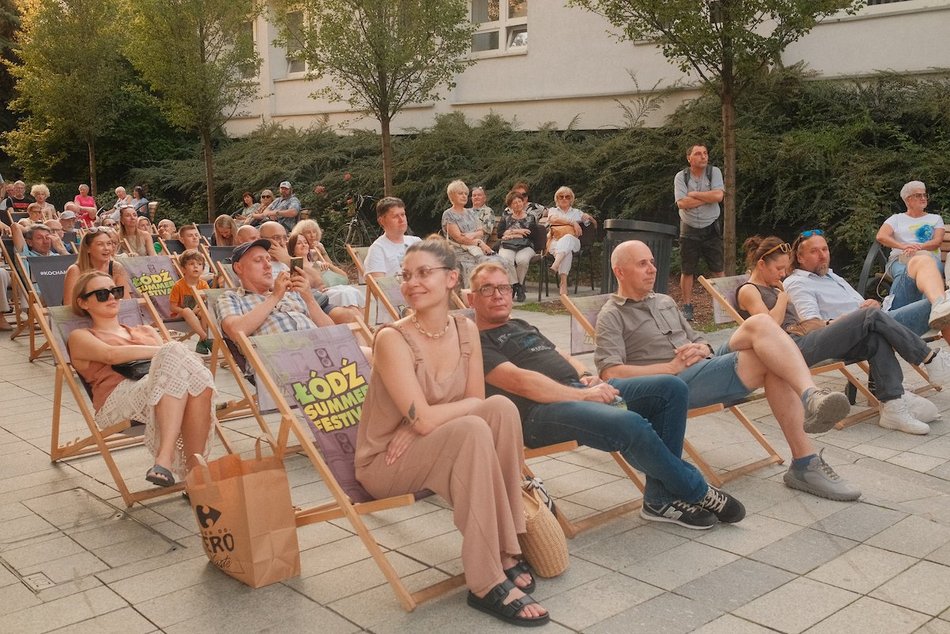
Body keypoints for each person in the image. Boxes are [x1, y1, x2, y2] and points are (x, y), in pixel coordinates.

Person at [355, 239, 549, 626]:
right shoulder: (392, 339)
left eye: (424, 273)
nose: (412, 283)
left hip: (426, 443)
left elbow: (477, 398)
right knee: (473, 427)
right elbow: (434, 417)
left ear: (451, 279)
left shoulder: (465, 328)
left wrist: (424, 424)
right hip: (385, 463)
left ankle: (506, 546)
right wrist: (423, 423)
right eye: (406, 275)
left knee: (501, 408)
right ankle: (485, 578)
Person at [470, 261, 745, 529]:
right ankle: (697, 490)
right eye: (487, 289)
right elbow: (521, 382)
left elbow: (557, 355)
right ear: (472, 299)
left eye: (504, 288)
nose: (498, 295)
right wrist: (586, 395)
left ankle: (659, 500)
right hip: (537, 413)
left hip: (577, 391)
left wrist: (583, 376)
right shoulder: (476, 341)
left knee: (671, 388)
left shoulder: (520, 324)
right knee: (629, 423)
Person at [594, 240, 861, 501]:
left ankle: (810, 397)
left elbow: (698, 339)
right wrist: (670, 366)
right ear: (620, 271)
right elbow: (610, 373)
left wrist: (702, 348)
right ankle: (805, 462)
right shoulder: (612, 315)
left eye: (652, 262)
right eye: (643, 264)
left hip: (704, 365)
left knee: (759, 324)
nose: (652, 268)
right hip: (671, 383)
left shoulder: (663, 301)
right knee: (771, 361)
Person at [738, 235, 950, 435]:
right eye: (779, 268)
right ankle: (929, 358)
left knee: (873, 337)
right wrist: (783, 299)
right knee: (870, 316)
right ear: (761, 265)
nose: (783, 274)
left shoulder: (775, 286)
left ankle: (893, 405)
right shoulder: (749, 289)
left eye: (784, 268)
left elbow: (807, 321)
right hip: (789, 349)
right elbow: (768, 327)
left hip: (804, 336)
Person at [67, 271, 215, 487]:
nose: (111, 297)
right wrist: (162, 349)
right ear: (83, 302)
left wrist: (164, 351)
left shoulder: (145, 329)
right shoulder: (81, 337)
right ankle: (173, 461)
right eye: (101, 294)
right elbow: (111, 355)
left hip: (163, 391)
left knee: (193, 378)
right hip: (117, 401)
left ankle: (188, 475)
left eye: (115, 291)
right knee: (176, 354)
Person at [784, 229, 950, 347]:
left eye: (825, 249)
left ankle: (938, 304)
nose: (822, 255)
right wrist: (856, 317)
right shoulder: (797, 283)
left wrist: (873, 304)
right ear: (799, 257)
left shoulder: (831, 275)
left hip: (881, 314)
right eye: (814, 251)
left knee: (921, 260)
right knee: (948, 305)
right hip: (869, 328)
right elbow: (812, 326)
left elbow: (858, 304)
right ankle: (939, 305)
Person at [217, 239, 336, 340]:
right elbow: (236, 331)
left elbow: (334, 333)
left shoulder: (291, 294)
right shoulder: (231, 298)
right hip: (282, 361)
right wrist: (275, 297)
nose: (268, 265)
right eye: (258, 260)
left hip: (322, 354)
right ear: (238, 268)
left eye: (268, 260)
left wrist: (309, 299)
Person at [874, 181, 950, 327]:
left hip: (930, 259)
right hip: (900, 260)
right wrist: (902, 246)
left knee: (929, 269)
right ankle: (904, 314)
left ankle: (897, 317)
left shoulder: (935, 219)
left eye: (924, 195)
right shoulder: (896, 219)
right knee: (904, 271)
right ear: (908, 199)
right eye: (918, 195)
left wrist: (918, 247)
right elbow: (881, 236)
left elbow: (937, 241)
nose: (923, 198)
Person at [675, 144, 725, 321]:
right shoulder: (681, 176)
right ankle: (687, 306)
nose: (703, 157)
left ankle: (723, 307)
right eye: (698, 154)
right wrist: (707, 197)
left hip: (711, 227)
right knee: (687, 270)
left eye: (705, 153)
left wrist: (694, 194)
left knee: (718, 269)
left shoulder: (714, 172)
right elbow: (681, 203)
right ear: (689, 158)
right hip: (688, 229)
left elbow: (719, 197)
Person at [442, 180, 516, 287]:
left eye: (465, 194)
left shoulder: (470, 212)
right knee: (479, 266)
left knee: (502, 262)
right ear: (452, 196)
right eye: (460, 193)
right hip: (460, 251)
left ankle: (497, 291)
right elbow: (459, 238)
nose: (464, 196)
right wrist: (477, 242)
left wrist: (474, 237)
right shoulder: (449, 214)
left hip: (477, 249)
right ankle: (474, 296)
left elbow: (480, 231)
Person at [287, 232, 363, 309]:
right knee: (345, 294)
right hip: (317, 296)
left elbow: (344, 277)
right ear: (292, 249)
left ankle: (361, 319)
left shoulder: (316, 264)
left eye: (305, 242)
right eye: (299, 243)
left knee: (353, 291)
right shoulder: (295, 267)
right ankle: (356, 318)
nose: (304, 245)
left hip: (330, 290)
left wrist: (329, 266)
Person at [63, 228, 131, 306]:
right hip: (83, 316)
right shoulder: (75, 270)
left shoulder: (116, 267)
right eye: (100, 244)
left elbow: (127, 301)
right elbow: (69, 306)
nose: (106, 248)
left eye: (109, 243)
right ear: (88, 248)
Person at [546, 186, 593, 296]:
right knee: (566, 253)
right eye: (561, 196)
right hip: (554, 241)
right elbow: (553, 219)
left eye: (567, 197)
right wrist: (573, 222)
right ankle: (564, 284)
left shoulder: (577, 212)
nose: (564, 198)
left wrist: (588, 218)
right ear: (556, 199)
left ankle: (556, 264)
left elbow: (589, 224)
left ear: (571, 199)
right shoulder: (553, 211)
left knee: (567, 238)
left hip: (574, 241)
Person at [364, 196, 422, 277]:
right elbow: (378, 286)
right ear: (382, 221)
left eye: (403, 214)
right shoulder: (377, 249)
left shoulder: (416, 242)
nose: (401, 220)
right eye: (395, 216)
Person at [496, 190, 537, 303]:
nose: (518, 204)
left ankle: (517, 286)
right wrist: (518, 232)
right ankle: (517, 286)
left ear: (523, 202)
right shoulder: (506, 218)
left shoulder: (531, 217)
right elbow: (500, 234)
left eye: (520, 201)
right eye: (515, 203)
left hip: (526, 245)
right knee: (505, 260)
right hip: (507, 245)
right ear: (510, 205)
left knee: (522, 261)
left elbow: (531, 234)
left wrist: (510, 233)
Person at [169, 249, 213, 355]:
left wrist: (197, 309)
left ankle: (201, 343)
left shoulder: (203, 284)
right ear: (183, 268)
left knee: (204, 312)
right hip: (180, 315)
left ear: (203, 269)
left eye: (199, 264)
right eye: (191, 264)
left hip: (197, 313)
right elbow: (172, 307)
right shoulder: (178, 285)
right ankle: (205, 337)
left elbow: (206, 302)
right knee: (187, 311)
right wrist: (190, 311)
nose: (196, 266)